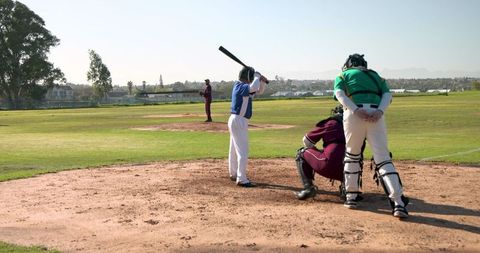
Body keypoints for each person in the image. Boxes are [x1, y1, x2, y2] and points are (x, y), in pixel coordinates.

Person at [333, 54, 409, 218]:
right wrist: (380, 111)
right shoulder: (376, 76)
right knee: (383, 159)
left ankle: (351, 197)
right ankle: (398, 203)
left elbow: (339, 93)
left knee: (352, 155)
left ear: (349, 64)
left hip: (353, 116)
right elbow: (387, 95)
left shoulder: (343, 75)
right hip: (377, 114)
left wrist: (355, 110)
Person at [294, 105, 346, 200]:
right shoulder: (358, 126)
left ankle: (308, 189)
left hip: (329, 167)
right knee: (354, 157)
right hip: (351, 172)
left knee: (301, 153)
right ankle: (348, 190)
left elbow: (307, 141)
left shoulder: (331, 123)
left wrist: (318, 151)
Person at [228, 66, 267, 187]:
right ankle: (241, 179)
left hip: (237, 120)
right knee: (243, 151)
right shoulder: (240, 86)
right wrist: (257, 76)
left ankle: (234, 173)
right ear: (248, 77)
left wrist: (262, 81)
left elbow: (259, 90)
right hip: (239, 120)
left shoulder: (244, 87)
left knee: (234, 150)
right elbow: (253, 87)